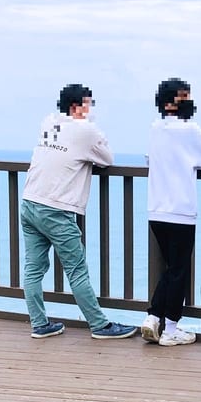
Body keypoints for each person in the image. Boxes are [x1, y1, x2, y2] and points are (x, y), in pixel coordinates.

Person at [20, 83, 139, 340]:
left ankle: (39, 324)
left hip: (29, 201)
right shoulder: (85, 130)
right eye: (88, 104)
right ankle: (100, 325)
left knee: (33, 268)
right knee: (76, 269)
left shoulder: (49, 121)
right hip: (56, 207)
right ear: (77, 107)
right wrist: (92, 129)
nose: (91, 109)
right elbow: (107, 158)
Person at [142, 77, 201, 346]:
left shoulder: (155, 128)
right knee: (178, 270)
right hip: (181, 210)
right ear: (171, 102)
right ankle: (170, 329)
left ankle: (153, 317)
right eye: (184, 97)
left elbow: (149, 159)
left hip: (156, 209)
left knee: (172, 268)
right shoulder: (191, 130)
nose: (188, 102)